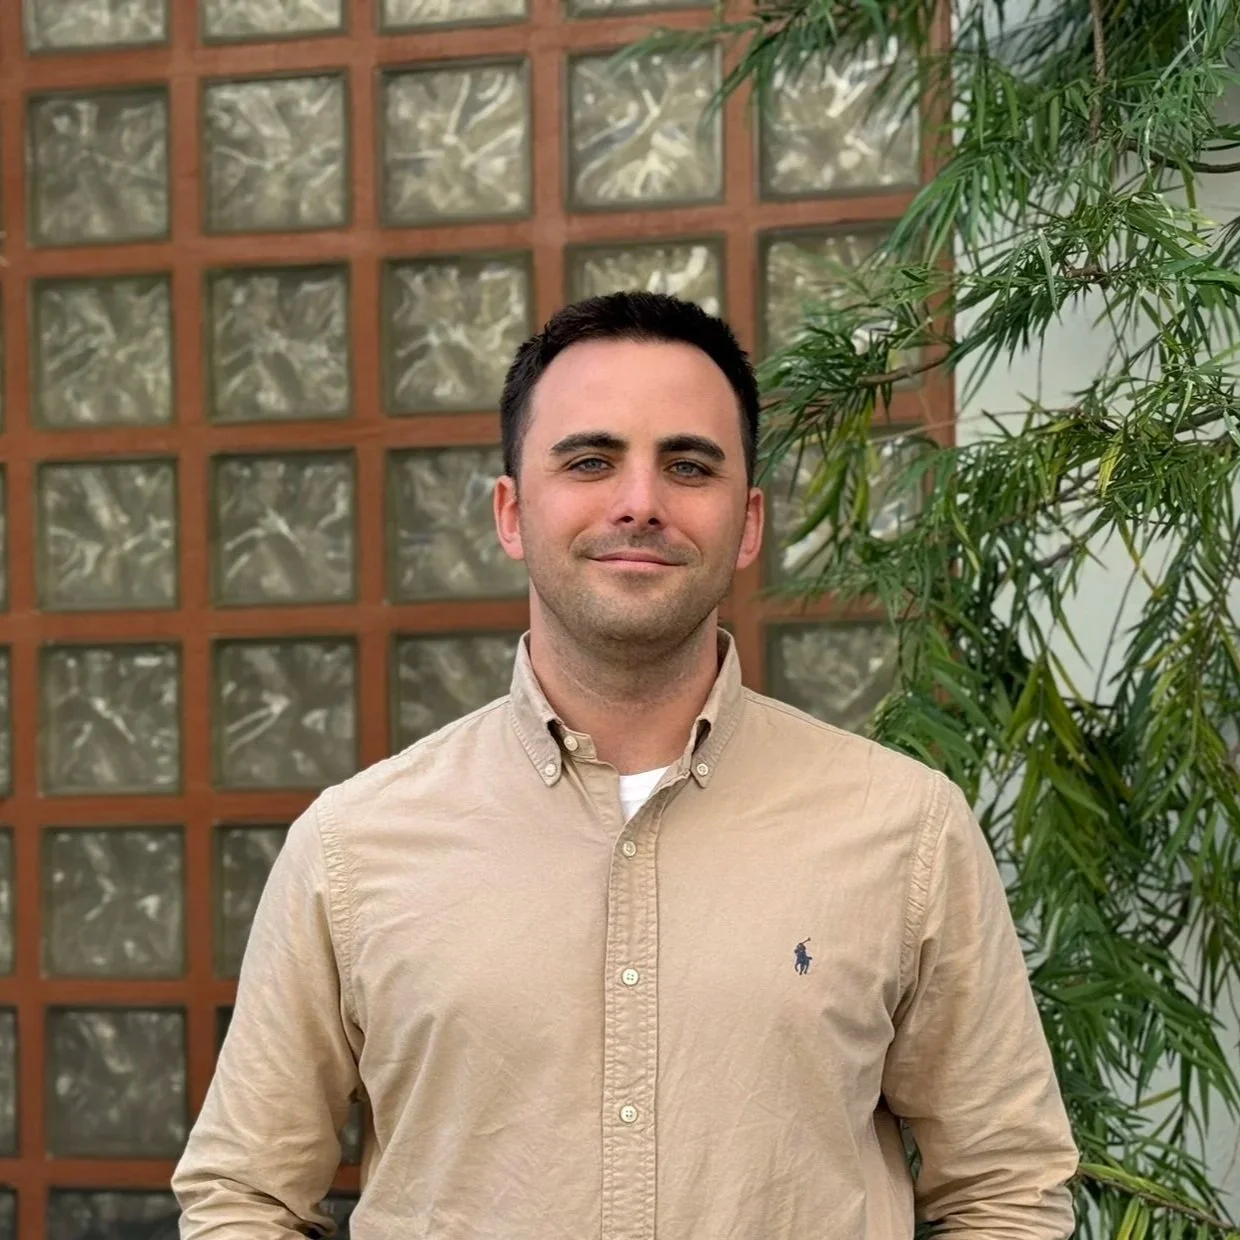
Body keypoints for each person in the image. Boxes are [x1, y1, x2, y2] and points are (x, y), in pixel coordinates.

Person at [173, 292, 1078, 1239]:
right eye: (590, 461)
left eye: (688, 466)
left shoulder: (906, 830)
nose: (640, 502)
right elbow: (246, 1196)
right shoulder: (352, 847)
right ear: (512, 513)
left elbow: (1004, 1188)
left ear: (749, 522)